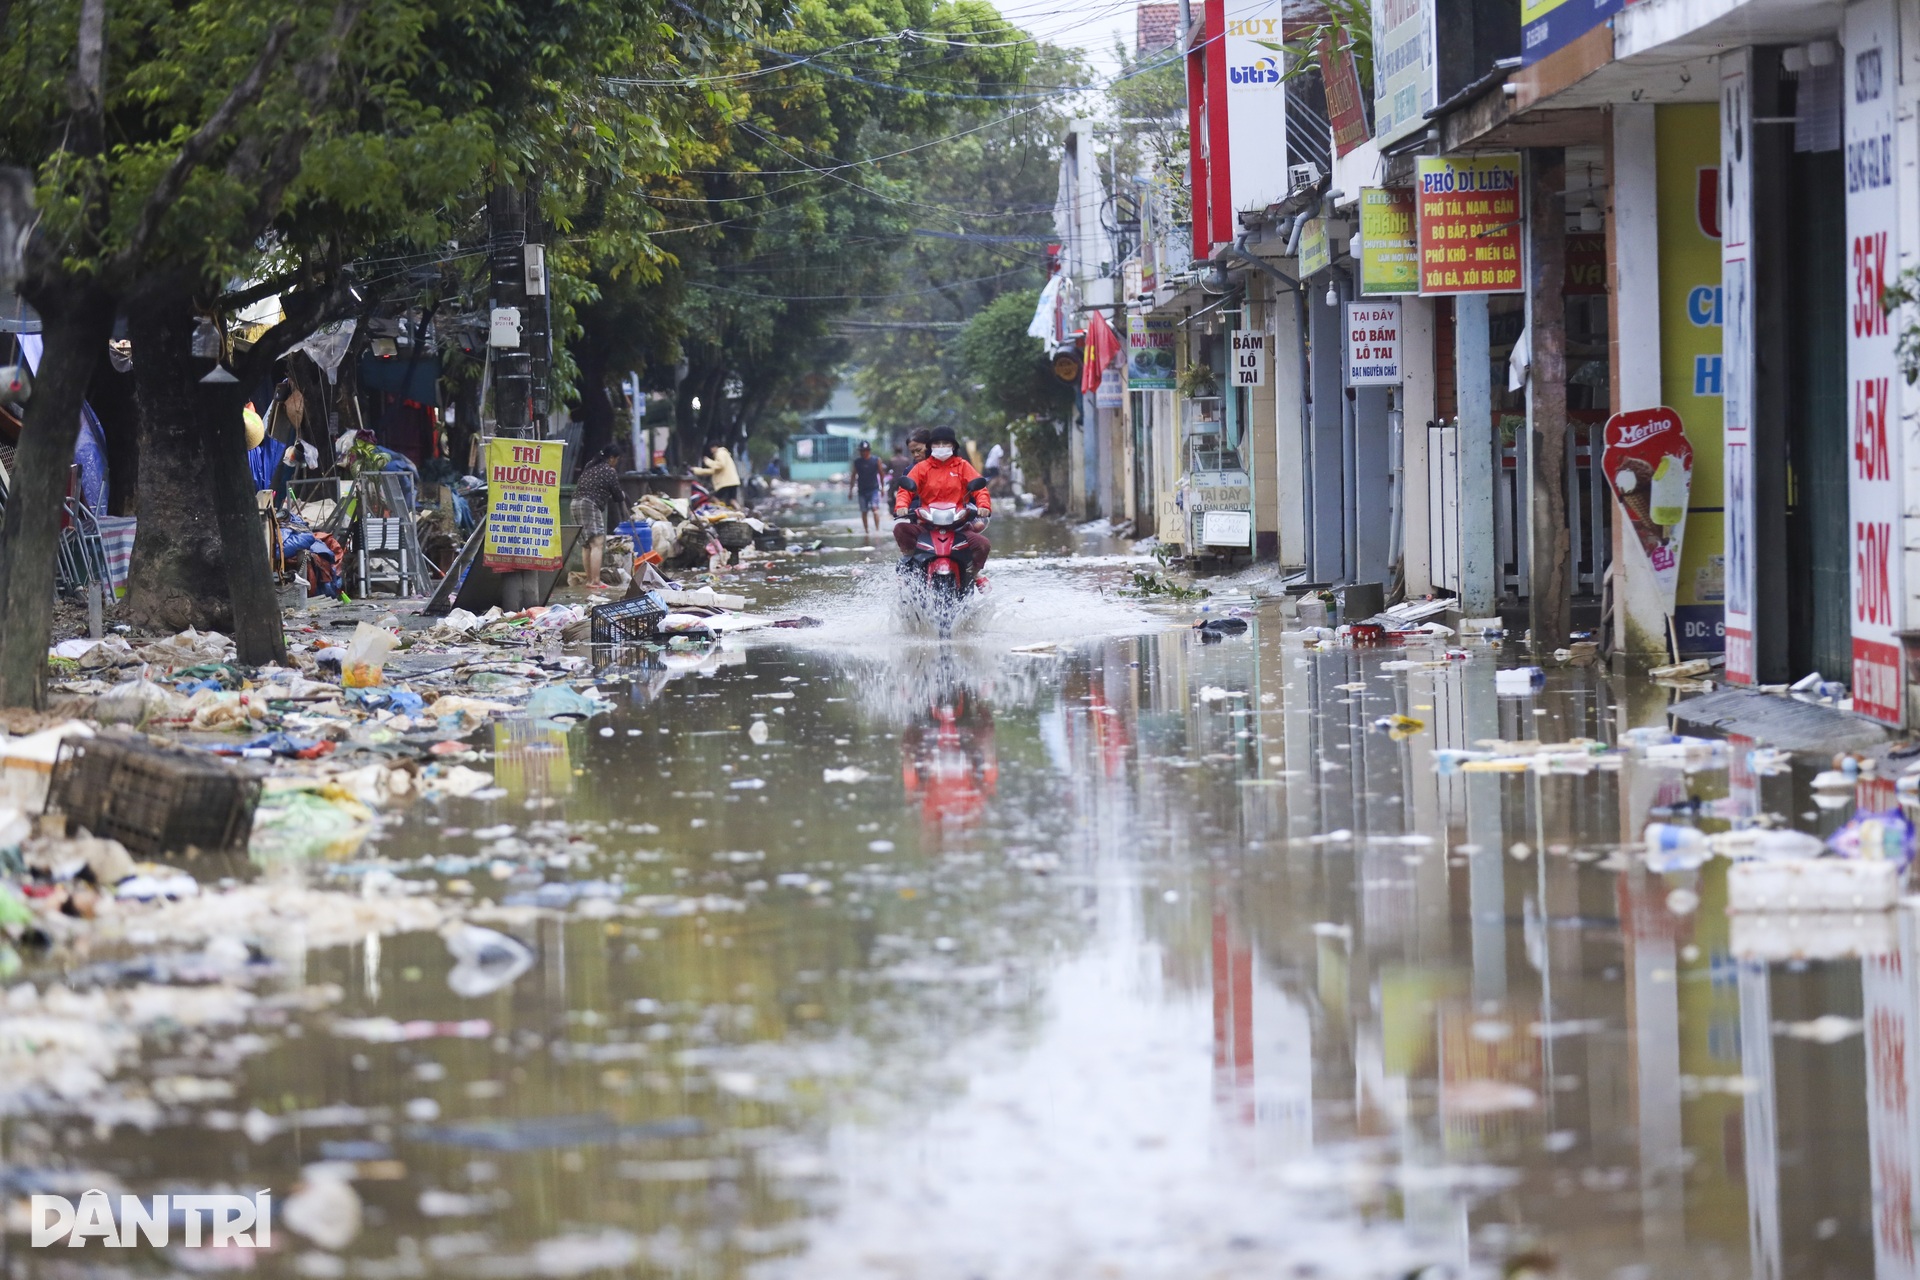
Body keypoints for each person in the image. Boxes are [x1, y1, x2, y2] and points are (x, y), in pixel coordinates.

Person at [894, 424, 991, 574]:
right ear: (930, 446)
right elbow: (905, 490)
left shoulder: (963, 466)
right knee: (900, 529)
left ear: (953, 445)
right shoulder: (921, 468)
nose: (941, 447)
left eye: (945, 443)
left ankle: (973, 573)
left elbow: (980, 489)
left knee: (983, 545)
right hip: (927, 525)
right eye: (937, 443)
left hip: (958, 526)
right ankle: (913, 561)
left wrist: (984, 505)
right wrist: (902, 505)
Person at [572, 445, 625, 593]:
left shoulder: (590, 465)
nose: (616, 463)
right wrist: (622, 495)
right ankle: (596, 581)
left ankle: (590, 580)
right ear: (612, 458)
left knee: (586, 544)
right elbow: (617, 495)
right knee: (597, 543)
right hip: (589, 504)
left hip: (575, 503)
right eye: (617, 460)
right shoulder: (609, 470)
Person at [889, 428, 930, 513]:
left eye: (919, 450)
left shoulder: (947, 465)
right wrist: (902, 505)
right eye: (912, 452)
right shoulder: (910, 470)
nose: (916, 454)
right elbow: (904, 492)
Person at [848, 440, 884, 534]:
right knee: (864, 511)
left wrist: (883, 487)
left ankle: (877, 530)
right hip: (862, 490)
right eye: (862, 451)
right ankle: (866, 531)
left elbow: (881, 474)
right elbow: (853, 476)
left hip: (873, 489)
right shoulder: (857, 462)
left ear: (869, 451)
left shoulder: (876, 460)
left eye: (865, 450)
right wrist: (850, 491)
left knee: (875, 509)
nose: (864, 452)